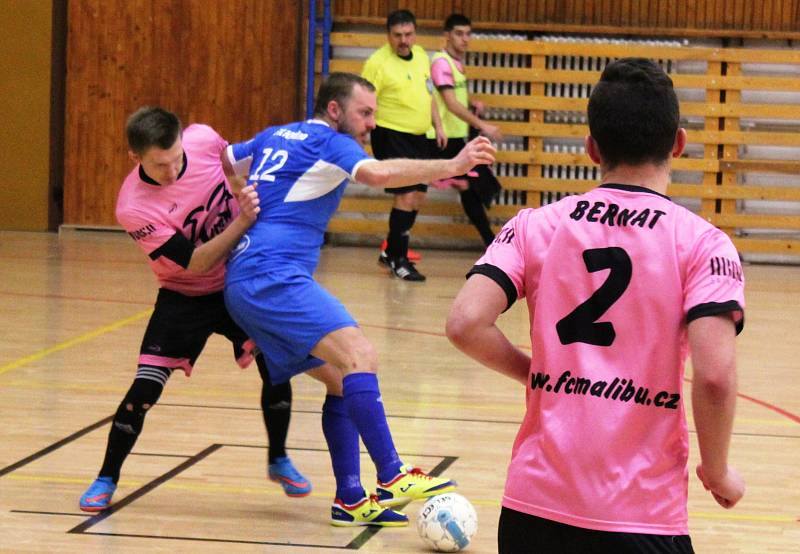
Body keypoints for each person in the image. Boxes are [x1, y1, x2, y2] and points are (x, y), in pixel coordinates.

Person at [446, 58, 745, 553]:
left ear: (591, 148)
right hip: (641, 518)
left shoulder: (534, 225)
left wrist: (536, 373)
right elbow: (714, 377)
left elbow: (464, 323)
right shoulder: (703, 244)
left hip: (532, 508)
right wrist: (717, 471)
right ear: (678, 144)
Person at [221, 72, 495, 526]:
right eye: (364, 113)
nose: (370, 124)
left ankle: (350, 497)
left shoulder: (275, 135)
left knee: (339, 380)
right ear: (335, 111)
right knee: (360, 355)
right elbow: (381, 174)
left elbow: (227, 159)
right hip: (273, 276)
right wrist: (452, 164)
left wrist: (242, 200)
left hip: (246, 277)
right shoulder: (330, 143)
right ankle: (392, 474)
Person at [79, 107, 310, 512]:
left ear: (185, 139)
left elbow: (233, 168)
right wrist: (243, 221)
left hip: (239, 280)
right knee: (144, 390)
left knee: (276, 363)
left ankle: (278, 457)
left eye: (176, 159)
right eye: (159, 165)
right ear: (135, 158)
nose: (171, 171)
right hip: (185, 293)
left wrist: (241, 191)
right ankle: (106, 476)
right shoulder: (133, 206)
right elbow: (196, 262)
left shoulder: (203, 139)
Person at [362, 9, 434, 282]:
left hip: (420, 136)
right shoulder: (378, 63)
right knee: (405, 196)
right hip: (391, 134)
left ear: (415, 33)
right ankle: (398, 258)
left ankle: (390, 250)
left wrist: (436, 126)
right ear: (388, 36)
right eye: (397, 35)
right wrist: (362, 133)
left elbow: (429, 94)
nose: (403, 40)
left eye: (408, 34)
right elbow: (364, 100)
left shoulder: (422, 57)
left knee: (418, 197)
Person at [428, 13, 504, 247]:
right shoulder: (441, 63)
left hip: (457, 135)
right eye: (459, 34)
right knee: (475, 185)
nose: (465, 39)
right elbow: (449, 103)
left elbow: (453, 97)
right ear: (447, 35)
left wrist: (472, 104)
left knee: (474, 187)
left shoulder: (457, 63)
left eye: (468, 34)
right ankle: (491, 242)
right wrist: (484, 126)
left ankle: (490, 242)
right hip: (445, 138)